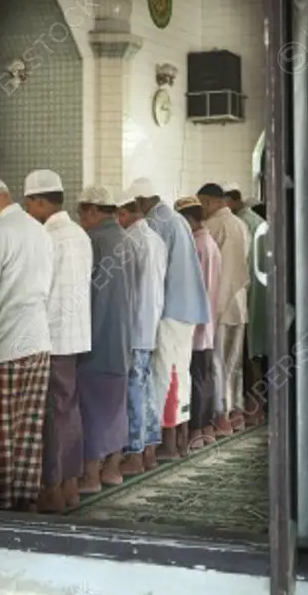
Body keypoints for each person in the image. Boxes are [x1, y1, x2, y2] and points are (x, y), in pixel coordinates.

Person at [23, 169, 93, 514]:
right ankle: (71, 484)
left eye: (28, 203)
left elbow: (39, 290)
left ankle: (52, 487)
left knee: (53, 412)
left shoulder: (47, 237)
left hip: (53, 337)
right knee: (69, 409)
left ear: (38, 201)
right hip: (76, 335)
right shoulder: (80, 234)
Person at [127, 176, 210, 461]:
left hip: (171, 310)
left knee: (166, 375)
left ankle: (170, 443)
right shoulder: (175, 218)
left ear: (139, 202)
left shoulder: (156, 222)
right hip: (186, 310)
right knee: (179, 373)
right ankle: (181, 438)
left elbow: (154, 273)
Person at [0, 178, 54, 511]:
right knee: (30, 429)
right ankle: (26, 501)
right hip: (39, 341)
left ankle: (2, 503)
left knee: (4, 432)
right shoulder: (38, 230)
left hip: (6, 345)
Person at [76, 184, 136, 491]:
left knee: (92, 410)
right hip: (123, 339)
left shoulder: (93, 241)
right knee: (115, 407)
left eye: (81, 212)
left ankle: (90, 476)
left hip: (96, 341)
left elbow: (84, 295)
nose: (80, 218)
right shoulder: (128, 240)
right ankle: (112, 469)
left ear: (93, 210)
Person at [115, 191, 168, 476]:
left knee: (135, 388)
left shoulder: (130, 242)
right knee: (146, 386)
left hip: (134, 326)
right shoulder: (156, 240)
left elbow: (127, 291)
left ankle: (134, 452)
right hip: (151, 323)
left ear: (123, 214)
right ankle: (149, 448)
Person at [197, 182, 251, 433]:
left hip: (220, 304)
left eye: (201, 204)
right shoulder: (240, 224)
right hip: (238, 303)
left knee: (217, 364)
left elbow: (223, 274)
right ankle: (236, 411)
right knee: (233, 363)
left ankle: (222, 416)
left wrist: (214, 311)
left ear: (208, 201)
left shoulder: (214, 226)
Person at [175, 196, 221, 447]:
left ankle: (197, 431)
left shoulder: (198, 245)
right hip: (208, 319)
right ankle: (205, 428)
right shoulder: (209, 243)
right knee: (205, 375)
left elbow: (196, 287)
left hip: (198, 322)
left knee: (198, 377)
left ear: (188, 219)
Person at [225, 184, 269, 425]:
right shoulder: (254, 222)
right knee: (256, 356)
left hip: (248, 297)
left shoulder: (242, 223)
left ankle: (253, 408)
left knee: (248, 356)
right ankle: (256, 409)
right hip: (258, 295)